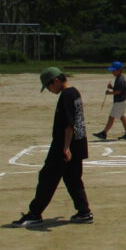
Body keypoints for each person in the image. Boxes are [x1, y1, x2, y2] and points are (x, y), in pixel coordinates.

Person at [15, 67, 93, 227]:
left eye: (49, 86)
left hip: (65, 145)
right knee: (73, 179)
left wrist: (65, 147)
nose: (50, 90)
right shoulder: (74, 92)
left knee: (47, 177)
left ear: (56, 81)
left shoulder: (66, 95)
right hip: (78, 143)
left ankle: (34, 214)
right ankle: (84, 212)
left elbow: (69, 124)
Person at [93, 61, 126, 140]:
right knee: (122, 117)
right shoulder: (119, 78)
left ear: (119, 70)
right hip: (121, 101)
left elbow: (118, 91)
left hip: (119, 102)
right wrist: (112, 88)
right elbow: (118, 89)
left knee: (112, 117)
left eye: (114, 70)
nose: (112, 72)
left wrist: (109, 93)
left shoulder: (120, 79)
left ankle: (104, 133)